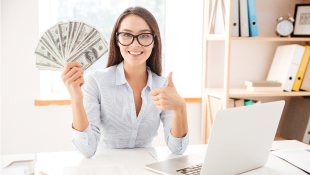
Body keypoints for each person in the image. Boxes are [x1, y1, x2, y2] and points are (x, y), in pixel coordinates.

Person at [61, 6, 189, 158]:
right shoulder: (95, 81)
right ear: (117, 40)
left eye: (145, 35)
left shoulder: (163, 86)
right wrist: (76, 99)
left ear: (154, 41)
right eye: (127, 35)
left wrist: (180, 108)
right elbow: (87, 150)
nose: (135, 44)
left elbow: (177, 149)